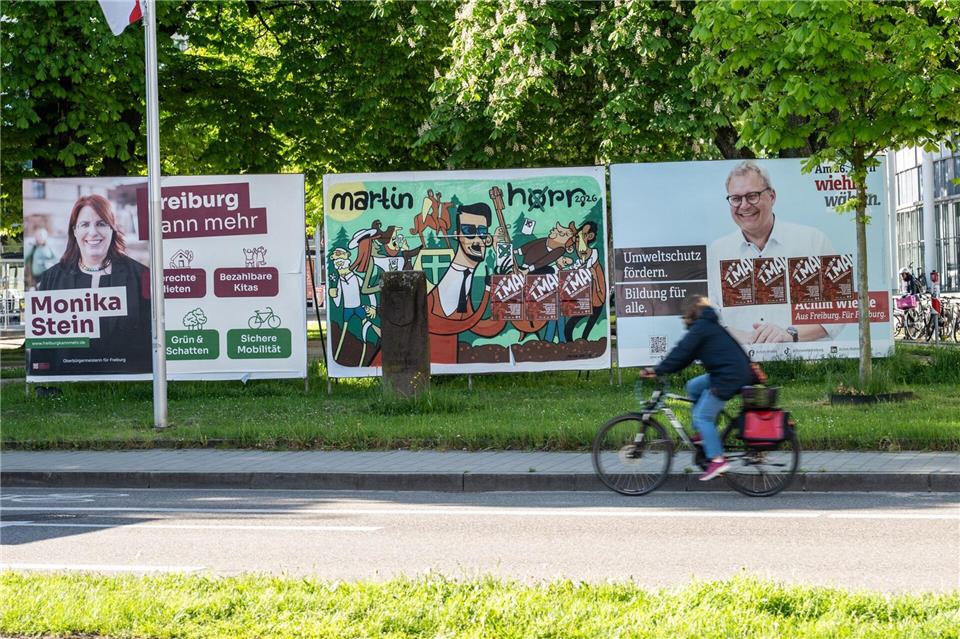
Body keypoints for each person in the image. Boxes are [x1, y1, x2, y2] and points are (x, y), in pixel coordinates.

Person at [707, 161, 837, 344]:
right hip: (741, 367)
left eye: (752, 196)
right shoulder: (717, 252)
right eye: (736, 198)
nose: (744, 205)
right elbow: (708, 319)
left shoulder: (813, 241)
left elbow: (839, 311)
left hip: (805, 367)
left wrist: (790, 334)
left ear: (772, 196)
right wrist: (739, 337)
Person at [32, 194, 151, 375]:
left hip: (127, 377)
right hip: (67, 377)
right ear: (75, 231)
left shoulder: (140, 275)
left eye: (101, 223)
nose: (93, 232)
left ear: (112, 229)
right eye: (85, 224)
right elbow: (43, 346)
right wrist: (42, 380)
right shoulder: (51, 279)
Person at [640, 296, 756, 481]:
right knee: (693, 386)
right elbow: (685, 357)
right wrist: (665, 369)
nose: (683, 319)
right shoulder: (707, 325)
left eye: (683, 315)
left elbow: (681, 352)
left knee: (702, 416)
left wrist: (657, 370)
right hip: (729, 371)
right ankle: (704, 434)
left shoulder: (701, 329)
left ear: (691, 313)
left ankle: (717, 460)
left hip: (728, 377)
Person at [426, 202, 505, 363]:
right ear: (456, 235)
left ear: (488, 239)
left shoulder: (467, 287)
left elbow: (488, 327)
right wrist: (488, 292)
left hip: (448, 361)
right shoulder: (440, 282)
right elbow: (440, 323)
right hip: (418, 363)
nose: (476, 239)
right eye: (469, 231)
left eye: (482, 232)